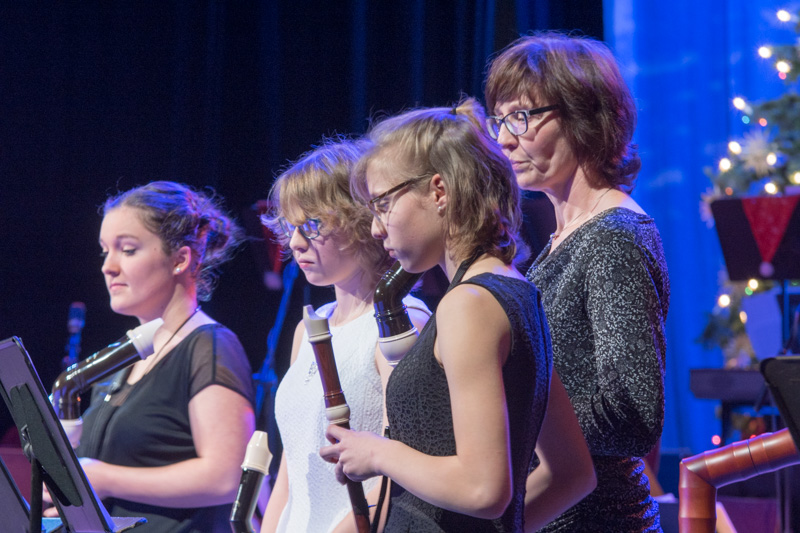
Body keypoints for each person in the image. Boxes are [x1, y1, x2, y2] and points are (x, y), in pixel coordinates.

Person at [319, 99, 595, 532]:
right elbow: (572, 473)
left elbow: (484, 489)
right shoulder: (513, 289)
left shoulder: (469, 303)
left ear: (439, 192)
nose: (375, 228)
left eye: (383, 204)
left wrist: (376, 453)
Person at [485, 31, 670, 532]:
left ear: (585, 116)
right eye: (499, 120)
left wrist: (506, 428)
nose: (504, 140)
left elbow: (633, 414)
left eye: (521, 117)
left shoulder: (614, 237)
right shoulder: (565, 238)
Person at [54, 181, 256, 532]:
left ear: (180, 259)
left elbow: (226, 475)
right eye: (105, 251)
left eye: (128, 250)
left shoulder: (210, 346)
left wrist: (103, 478)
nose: (108, 267)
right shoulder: (123, 357)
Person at [260, 139, 431, 533]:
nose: (295, 243)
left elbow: (402, 470)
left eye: (312, 225)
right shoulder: (308, 328)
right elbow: (293, 465)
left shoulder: (402, 322)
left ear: (360, 219)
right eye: (290, 227)